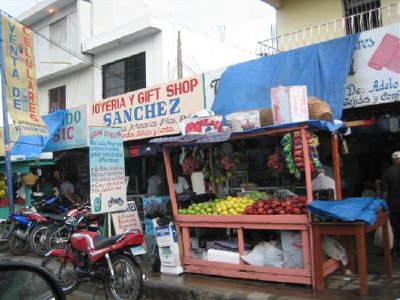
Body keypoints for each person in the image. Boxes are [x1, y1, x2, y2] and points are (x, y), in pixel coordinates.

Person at [381, 151, 400, 256]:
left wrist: (383, 205)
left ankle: (395, 250)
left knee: (394, 228)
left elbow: (384, 193)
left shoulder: (387, 172)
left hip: (392, 205)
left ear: (393, 160)